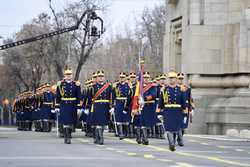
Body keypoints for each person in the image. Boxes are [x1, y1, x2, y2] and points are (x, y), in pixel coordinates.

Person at [157, 71, 187, 151]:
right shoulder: (164, 89)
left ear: (176, 79)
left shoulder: (181, 89)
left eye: (173, 78)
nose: (171, 80)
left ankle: (176, 140)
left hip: (177, 111)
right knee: (169, 128)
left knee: (176, 128)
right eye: (170, 78)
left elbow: (184, 102)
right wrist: (159, 113)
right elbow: (161, 102)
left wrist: (185, 112)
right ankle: (171, 144)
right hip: (168, 111)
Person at [55, 68, 82, 144]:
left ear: (72, 75)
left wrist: (79, 107)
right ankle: (66, 137)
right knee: (65, 122)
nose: (68, 76)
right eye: (67, 75)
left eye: (70, 75)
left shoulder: (76, 84)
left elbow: (79, 96)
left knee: (71, 122)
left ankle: (69, 134)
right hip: (64, 104)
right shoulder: (60, 84)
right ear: (65, 76)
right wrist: (57, 106)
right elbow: (58, 96)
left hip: (73, 105)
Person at [86, 70, 113, 145]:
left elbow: (111, 97)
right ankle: (100, 138)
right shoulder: (93, 87)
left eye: (102, 77)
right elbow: (89, 98)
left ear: (104, 78)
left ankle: (98, 137)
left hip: (105, 106)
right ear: (97, 78)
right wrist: (88, 107)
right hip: (97, 106)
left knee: (103, 123)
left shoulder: (108, 86)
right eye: (99, 77)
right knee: (98, 123)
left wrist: (112, 107)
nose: (101, 78)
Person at [112, 72, 132, 140]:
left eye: (123, 77)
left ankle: (126, 133)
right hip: (118, 103)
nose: (122, 78)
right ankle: (121, 133)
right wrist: (112, 106)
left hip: (126, 102)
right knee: (119, 118)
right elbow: (113, 96)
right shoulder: (116, 85)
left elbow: (131, 95)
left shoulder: (128, 85)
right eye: (120, 77)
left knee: (126, 118)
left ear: (125, 78)